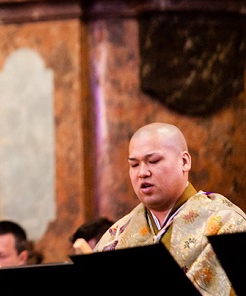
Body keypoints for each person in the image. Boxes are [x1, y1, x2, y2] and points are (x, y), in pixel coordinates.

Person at [93, 122, 246, 296]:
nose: (142, 172)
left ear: (184, 161)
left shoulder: (226, 224)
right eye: (134, 164)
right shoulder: (117, 235)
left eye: (153, 161)